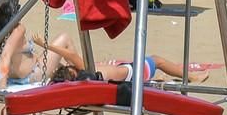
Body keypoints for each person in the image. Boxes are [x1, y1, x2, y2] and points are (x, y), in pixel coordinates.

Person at [32, 33, 208, 84]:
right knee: (158, 60)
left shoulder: (86, 77)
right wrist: (45, 45)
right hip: (133, 73)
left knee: (152, 67)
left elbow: (69, 59)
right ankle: (192, 77)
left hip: (126, 73)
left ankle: (159, 79)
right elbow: (70, 55)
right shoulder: (87, 70)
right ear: (73, 72)